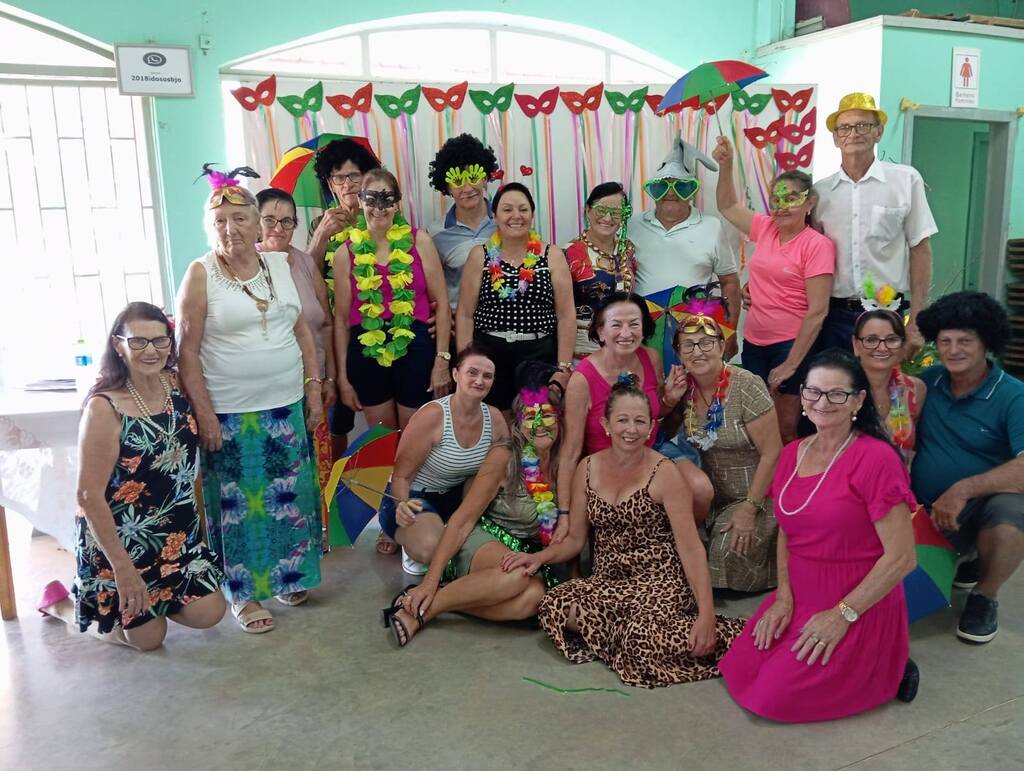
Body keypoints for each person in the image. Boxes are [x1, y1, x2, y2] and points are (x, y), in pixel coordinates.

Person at [719, 349, 919, 722]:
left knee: (772, 698)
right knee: (738, 668)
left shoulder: (876, 460)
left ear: (858, 400)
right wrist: (783, 597)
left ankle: (889, 663)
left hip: (854, 601)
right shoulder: (793, 452)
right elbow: (787, 532)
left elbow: (902, 558)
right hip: (801, 593)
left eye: (836, 394)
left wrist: (841, 616)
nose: (822, 403)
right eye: (813, 392)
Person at [505, 380, 745, 688]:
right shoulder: (587, 468)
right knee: (555, 605)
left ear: (650, 428)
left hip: (661, 580)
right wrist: (539, 557)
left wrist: (707, 615)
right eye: (622, 420)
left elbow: (691, 547)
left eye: (639, 421)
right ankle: (635, 638)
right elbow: (576, 540)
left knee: (641, 641)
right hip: (610, 581)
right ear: (606, 424)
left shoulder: (665, 473)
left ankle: (731, 636)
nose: (630, 429)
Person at [176, 167, 324, 634]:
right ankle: (243, 594)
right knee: (239, 506)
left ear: (256, 222)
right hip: (230, 412)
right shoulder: (200, 274)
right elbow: (187, 350)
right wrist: (204, 413)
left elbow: (300, 327)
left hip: (285, 404)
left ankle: (287, 576)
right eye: (219, 221)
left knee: (289, 497)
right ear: (209, 226)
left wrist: (313, 384)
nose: (230, 229)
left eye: (239, 219)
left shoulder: (278, 266)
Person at [37, 302, 226, 651]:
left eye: (160, 341)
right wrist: (124, 572)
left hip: (175, 536)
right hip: (122, 541)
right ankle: (63, 606)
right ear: (117, 345)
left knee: (210, 612)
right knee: (148, 640)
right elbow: (88, 496)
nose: (151, 351)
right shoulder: (105, 407)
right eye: (138, 341)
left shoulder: (177, 385)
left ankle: (155, 603)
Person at [385, 364, 563, 646]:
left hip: (530, 553)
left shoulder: (566, 464)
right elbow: (463, 520)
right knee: (519, 576)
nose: (540, 424)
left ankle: (431, 601)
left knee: (533, 598)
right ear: (518, 424)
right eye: (531, 416)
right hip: (485, 539)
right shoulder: (505, 456)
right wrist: (430, 580)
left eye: (548, 416)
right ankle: (425, 605)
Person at [911, 292, 1024, 644]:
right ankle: (971, 557)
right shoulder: (929, 382)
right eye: (945, 341)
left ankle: (984, 595)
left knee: (1011, 516)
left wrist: (962, 489)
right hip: (926, 512)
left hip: (981, 505)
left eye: (965, 340)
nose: (953, 350)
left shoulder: (1013, 395)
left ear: (986, 343)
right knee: (900, 598)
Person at [558, 292, 713, 533]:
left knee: (701, 489)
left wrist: (670, 398)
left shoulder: (650, 357)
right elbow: (570, 452)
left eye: (634, 324)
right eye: (616, 325)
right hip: (611, 460)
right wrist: (564, 512)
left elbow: (654, 413)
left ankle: (674, 544)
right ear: (600, 331)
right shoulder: (582, 380)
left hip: (654, 447)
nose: (626, 333)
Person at [712, 135, 834, 442]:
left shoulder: (817, 245)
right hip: (754, 342)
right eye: (776, 199)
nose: (782, 206)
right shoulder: (766, 228)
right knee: (756, 427)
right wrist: (725, 165)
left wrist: (791, 364)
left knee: (785, 427)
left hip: (790, 345)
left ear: (810, 203)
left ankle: (786, 488)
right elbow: (727, 205)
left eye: (791, 198)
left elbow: (818, 311)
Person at [664, 314, 783, 592]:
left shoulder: (746, 385)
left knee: (723, 554)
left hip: (759, 496)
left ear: (721, 346)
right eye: (689, 345)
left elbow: (773, 453)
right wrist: (668, 399)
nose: (698, 351)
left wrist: (749, 509)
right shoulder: (685, 389)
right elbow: (663, 435)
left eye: (706, 343)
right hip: (711, 499)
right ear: (679, 353)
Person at [813, 93, 937, 357]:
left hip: (886, 313)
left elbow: (921, 249)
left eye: (863, 126)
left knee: (882, 393)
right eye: (844, 127)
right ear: (835, 138)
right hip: (832, 316)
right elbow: (805, 255)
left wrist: (916, 320)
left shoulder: (905, 181)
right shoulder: (821, 193)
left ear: (878, 132)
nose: (854, 133)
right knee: (836, 392)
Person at [332, 168, 452, 432]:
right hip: (366, 349)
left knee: (414, 435)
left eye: (387, 199)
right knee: (381, 437)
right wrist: (342, 378)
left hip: (415, 345)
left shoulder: (419, 241)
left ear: (397, 202)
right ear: (360, 200)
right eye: (372, 198)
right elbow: (340, 322)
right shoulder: (345, 254)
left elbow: (442, 303)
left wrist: (442, 359)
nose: (379, 208)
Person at [378, 345, 508, 574]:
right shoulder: (433, 416)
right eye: (472, 372)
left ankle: (442, 531)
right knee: (432, 549)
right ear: (455, 374)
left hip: (457, 496)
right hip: (414, 496)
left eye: (487, 376)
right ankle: (405, 537)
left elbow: (501, 469)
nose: (480, 380)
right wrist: (401, 505)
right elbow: (401, 475)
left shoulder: (495, 418)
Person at [257, 187, 338, 539]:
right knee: (276, 471)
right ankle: (283, 540)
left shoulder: (305, 262)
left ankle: (312, 537)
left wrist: (330, 378)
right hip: (270, 391)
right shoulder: (244, 265)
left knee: (311, 468)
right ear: (256, 223)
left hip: (314, 385)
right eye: (270, 220)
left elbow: (328, 322)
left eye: (287, 221)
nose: (279, 227)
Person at [456, 182, 576, 411]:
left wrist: (563, 367)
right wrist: (466, 362)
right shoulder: (479, 256)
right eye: (507, 209)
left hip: (538, 354)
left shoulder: (551, 255)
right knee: (493, 424)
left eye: (523, 209)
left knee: (535, 424)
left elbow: (566, 315)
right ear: (496, 215)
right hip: (488, 353)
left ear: (532, 214)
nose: (516, 216)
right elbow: (464, 315)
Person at [307, 137, 382, 477]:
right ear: (330, 184)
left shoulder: (382, 217)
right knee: (338, 415)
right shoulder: (320, 223)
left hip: (379, 328)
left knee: (382, 413)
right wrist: (321, 236)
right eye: (340, 178)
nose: (348, 185)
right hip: (337, 332)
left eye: (355, 176)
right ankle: (332, 486)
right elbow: (306, 275)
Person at [629, 138, 740, 358]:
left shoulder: (711, 226)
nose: (671, 193)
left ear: (691, 190)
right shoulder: (632, 226)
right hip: (642, 330)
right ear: (653, 189)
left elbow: (730, 283)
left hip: (695, 333)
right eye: (662, 186)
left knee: (694, 388)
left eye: (681, 186)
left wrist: (730, 332)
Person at [563, 182, 637, 358]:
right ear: (588, 210)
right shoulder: (570, 252)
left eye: (617, 212)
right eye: (601, 210)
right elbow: (562, 312)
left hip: (622, 351)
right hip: (583, 355)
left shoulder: (627, 249)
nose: (608, 218)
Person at [427, 133, 499, 312]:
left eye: (473, 177)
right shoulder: (434, 233)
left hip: (503, 325)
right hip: (458, 326)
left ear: (484, 177)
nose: (467, 188)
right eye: (457, 181)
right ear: (447, 187)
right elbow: (432, 290)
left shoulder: (506, 222)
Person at [852, 309, 927, 466]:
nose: (882, 348)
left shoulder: (915, 390)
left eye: (892, 340)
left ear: (902, 345)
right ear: (856, 345)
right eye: (871, 340)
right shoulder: (841, 389)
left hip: (897, 485)